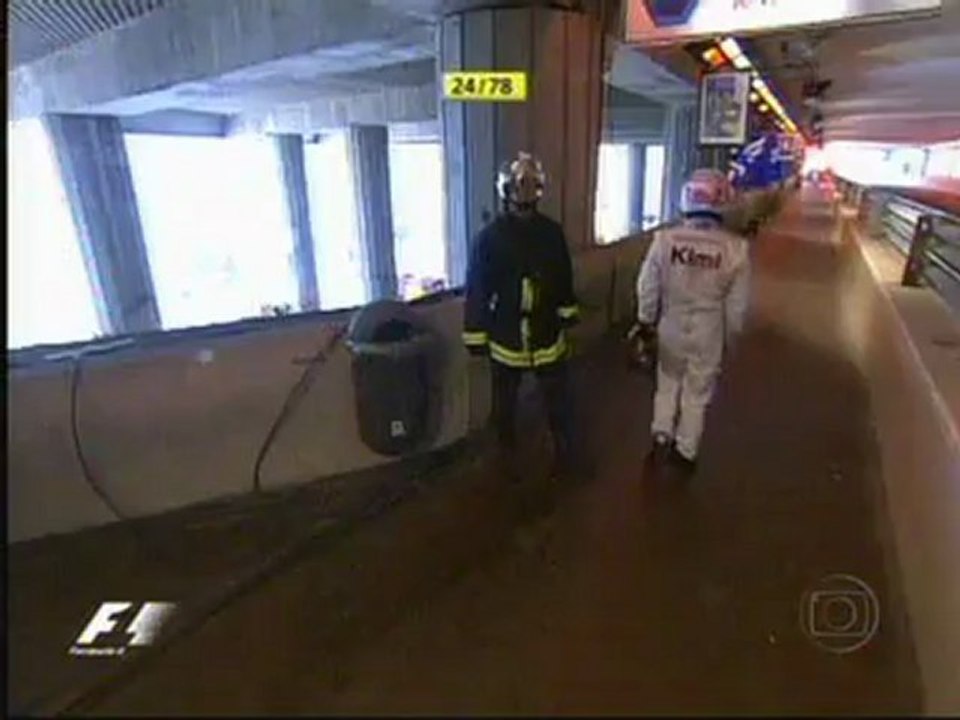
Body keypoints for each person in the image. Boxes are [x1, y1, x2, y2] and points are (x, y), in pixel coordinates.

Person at [462, 152, 582, 482]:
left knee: (558, 401)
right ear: (506, 191)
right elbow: (478, 288)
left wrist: (567, 313)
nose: (524, 194)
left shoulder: (551, 234)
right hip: (507, 335)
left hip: (546, 333)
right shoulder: (489, 237)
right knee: (504, 404)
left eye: (530, 186)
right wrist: (475, 334)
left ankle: (565, 454)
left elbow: (563, 278)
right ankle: (505, 457)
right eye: (519, 187)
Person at [633, 168, 750, 474]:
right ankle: (686, 450)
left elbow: (647, 285)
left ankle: (661, 433)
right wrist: (731, 339)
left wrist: (646, 321)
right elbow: (737, 307)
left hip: (671, 322)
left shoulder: (665, 239)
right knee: (697, 392)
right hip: (709, 328)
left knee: (667, 381)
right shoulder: (736, 249)